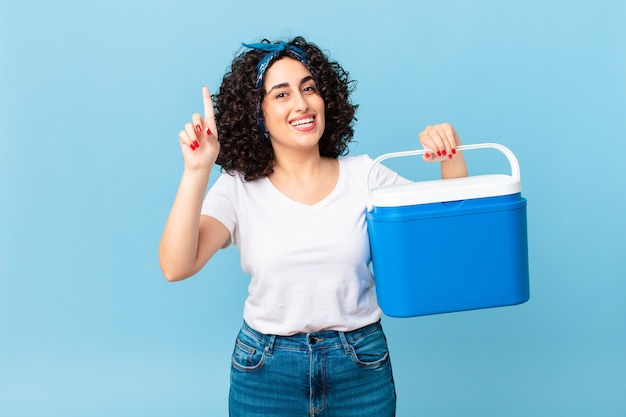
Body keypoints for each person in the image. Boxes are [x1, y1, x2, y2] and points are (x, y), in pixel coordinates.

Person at [159, 36, 468, 417]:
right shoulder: (238, 187)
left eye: (309, 88)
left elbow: (449, 234)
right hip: (265, 370)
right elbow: (176, 266)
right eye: (281, 94)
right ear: (258, 113)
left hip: (360, 365)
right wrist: (197, 170)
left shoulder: (365, 176)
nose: (302, 103)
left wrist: (450, 157)